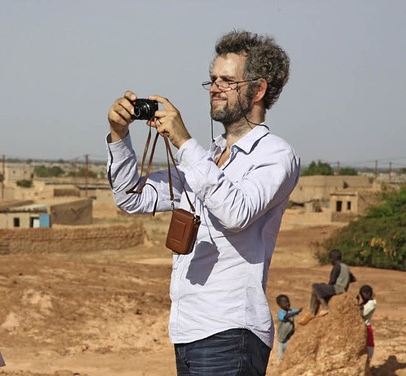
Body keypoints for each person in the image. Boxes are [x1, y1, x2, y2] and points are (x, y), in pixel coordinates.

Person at [106, 30, 300, 375]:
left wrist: (183, 142)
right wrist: (120, 135)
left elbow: (236, 212)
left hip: (231, 332)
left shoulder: (276, 156)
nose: (214, 88)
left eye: (227, 81)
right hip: (189, 330)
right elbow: (130, 197)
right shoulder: (207, 158)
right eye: (212, 80)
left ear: (258, 90)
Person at [298, 248, 356, 325]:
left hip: (337, 288)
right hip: (343, 288)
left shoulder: (337, 266)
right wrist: (344, 281)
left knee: (315, 286)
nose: (330, 261)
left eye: (330, 259)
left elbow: (332, 281)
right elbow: (353, 279)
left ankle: (324, 307)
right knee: (317, 289)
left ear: (333, 259)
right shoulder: (346, 267)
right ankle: (311, 311)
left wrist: (326, 290)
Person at [275, 294, 302, 361]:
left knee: (287, 355)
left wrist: (299, 312)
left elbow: (298, 314)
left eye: (288, 302)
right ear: (280, 305)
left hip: (288, 338)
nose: (287, 304)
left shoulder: (291, 311)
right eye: (285, 303)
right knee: (280, 356)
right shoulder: (280, 312)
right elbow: (286, 316)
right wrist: (297, 312)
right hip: (281, 339)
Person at [357, 284, 377, 360]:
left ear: (369, 293)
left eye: (365, 293)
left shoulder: (372, 303)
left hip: (366, 327)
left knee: (369, 345)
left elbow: (363, 313)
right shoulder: (364, 303)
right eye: (363, 294)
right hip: (360, 327)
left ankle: (368, 360)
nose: (364, 295)